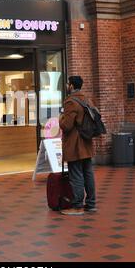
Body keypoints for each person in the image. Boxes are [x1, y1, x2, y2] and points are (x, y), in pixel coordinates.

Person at [59, 76, 96, 216]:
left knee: (76, 174)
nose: (67, 85)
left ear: (72, 86)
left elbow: (67, 126)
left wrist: (60, 119)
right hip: (86, 142)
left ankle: (77, 206)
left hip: (75, 143)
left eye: (68, 83)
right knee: (88, 172)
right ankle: (91, 204)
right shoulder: (87, 99)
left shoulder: (70, 102)